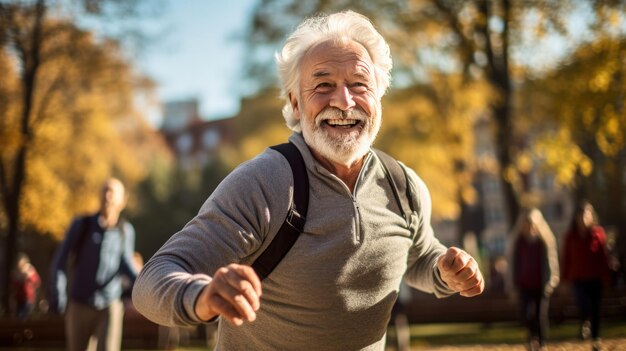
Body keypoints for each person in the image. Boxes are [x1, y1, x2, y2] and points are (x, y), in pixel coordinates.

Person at [132, 10, 484, 350]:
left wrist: (444, 271)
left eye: (359, 85)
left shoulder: (403, 185)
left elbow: (418, 255)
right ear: (296, 105)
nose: (344, 102)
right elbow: (152, 282)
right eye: (323, 85)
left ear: (378, 97)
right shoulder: (263, 183)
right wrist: (201, 297)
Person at [50, 178, 138, 351]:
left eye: (112, 192)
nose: (107, 196)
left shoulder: (125, 231)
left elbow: (126, 265)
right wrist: (59, 294)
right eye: (105, 190)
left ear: (123, 201)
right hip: (79, 303)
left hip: (110, 305)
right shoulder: (81, 225)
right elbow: (60, 261)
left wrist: (146, 285)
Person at [506, 208, 559, 350]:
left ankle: (541, 342)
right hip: (523, 285)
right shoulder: (518, 243)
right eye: (525, 224)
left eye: (531, 224)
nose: (528, 227)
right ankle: (530, 338)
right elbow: (512, 266)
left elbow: (551, 263)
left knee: (540, 315)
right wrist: (512, 285)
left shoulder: (544, 242)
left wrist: (551, 281)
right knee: (526, 314)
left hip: (540, 284)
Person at [561, 201, 612, 351]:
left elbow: (603, 256)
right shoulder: (570, 237)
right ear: (576, 217)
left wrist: (607, 275)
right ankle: (584, 322)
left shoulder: (598, 233)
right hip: (578, 278)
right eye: (581, 214)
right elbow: (566, 259)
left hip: (596, 278)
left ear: (592, 217)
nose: (584, 217)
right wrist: (564, 280)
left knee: (596, 309)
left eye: (587, 214)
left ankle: (596, 339)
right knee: (583, 304)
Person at [12, 252, 41, 320]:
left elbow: (37, 282)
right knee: (19, 317)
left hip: (29, 299)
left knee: (27, 316)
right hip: (19, 299)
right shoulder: (16, 272)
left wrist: (29, 276)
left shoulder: (30, 270)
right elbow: (14, 285)